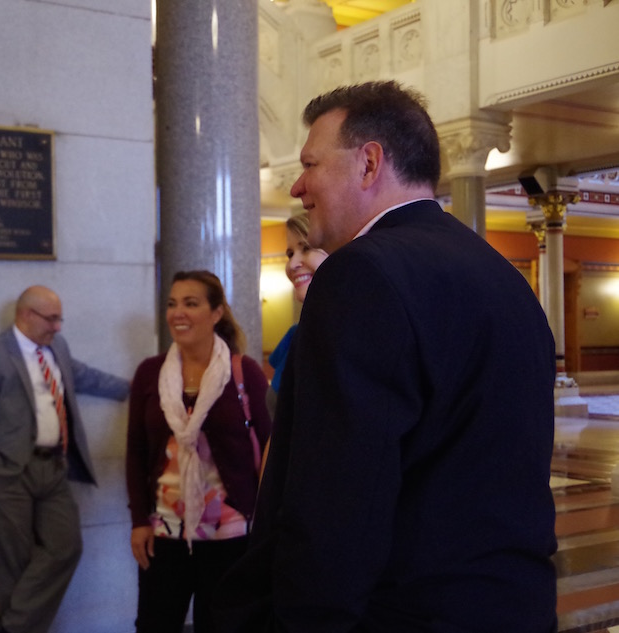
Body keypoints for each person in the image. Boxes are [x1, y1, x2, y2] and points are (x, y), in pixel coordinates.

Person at [216, 81, 557, 632]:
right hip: (512, 605)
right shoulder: (502, 274)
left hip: (404, 613)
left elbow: (341, 496)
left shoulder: (360, 274)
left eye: (310, 164)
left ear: (369, 163)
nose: (299, 186)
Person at [0, 285, 130, 633]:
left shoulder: (57, 348)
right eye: (52, 319)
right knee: (13, 564)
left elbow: (83, 376)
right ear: (26, 315)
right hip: (8, 473)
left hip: (54, 468)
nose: (58, 327)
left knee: (66, 548)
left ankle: (9, 627)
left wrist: (140, 385)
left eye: (59, 318)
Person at [126, 270, 272, 633]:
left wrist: (266, 526)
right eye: (173, 304)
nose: (178, 313)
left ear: (216, 312)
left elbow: (270, 449)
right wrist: (139, 521)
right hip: (165, 532)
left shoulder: (244, 372)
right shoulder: (150, 373)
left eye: (191, 304)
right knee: (154, 625)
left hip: (231, 535)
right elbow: (136, 453)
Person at [264, 212, 328, 417]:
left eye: (306, 248)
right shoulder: (295, 336)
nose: (292, 264)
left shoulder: (351, 338)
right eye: (290, 254)